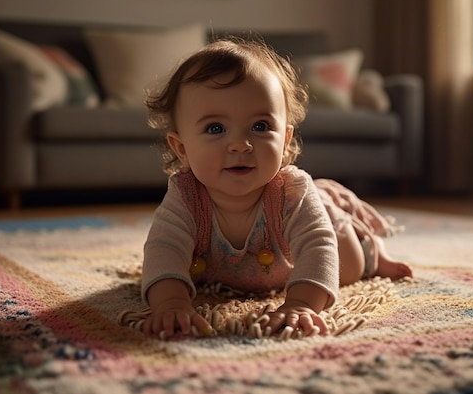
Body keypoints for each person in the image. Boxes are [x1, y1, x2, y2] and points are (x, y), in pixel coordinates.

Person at [141, 37, 412, 340]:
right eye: (215, 128)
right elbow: (163, 249)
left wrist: (300, 303)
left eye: (259, 126)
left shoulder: (290, 192)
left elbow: (317, 246)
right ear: (182, 148)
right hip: (244, 265)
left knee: (350, 266)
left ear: (284, 139)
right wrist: (171, 302)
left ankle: (364, 240)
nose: (240, 145)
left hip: (319, 230)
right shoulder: (186, 195)